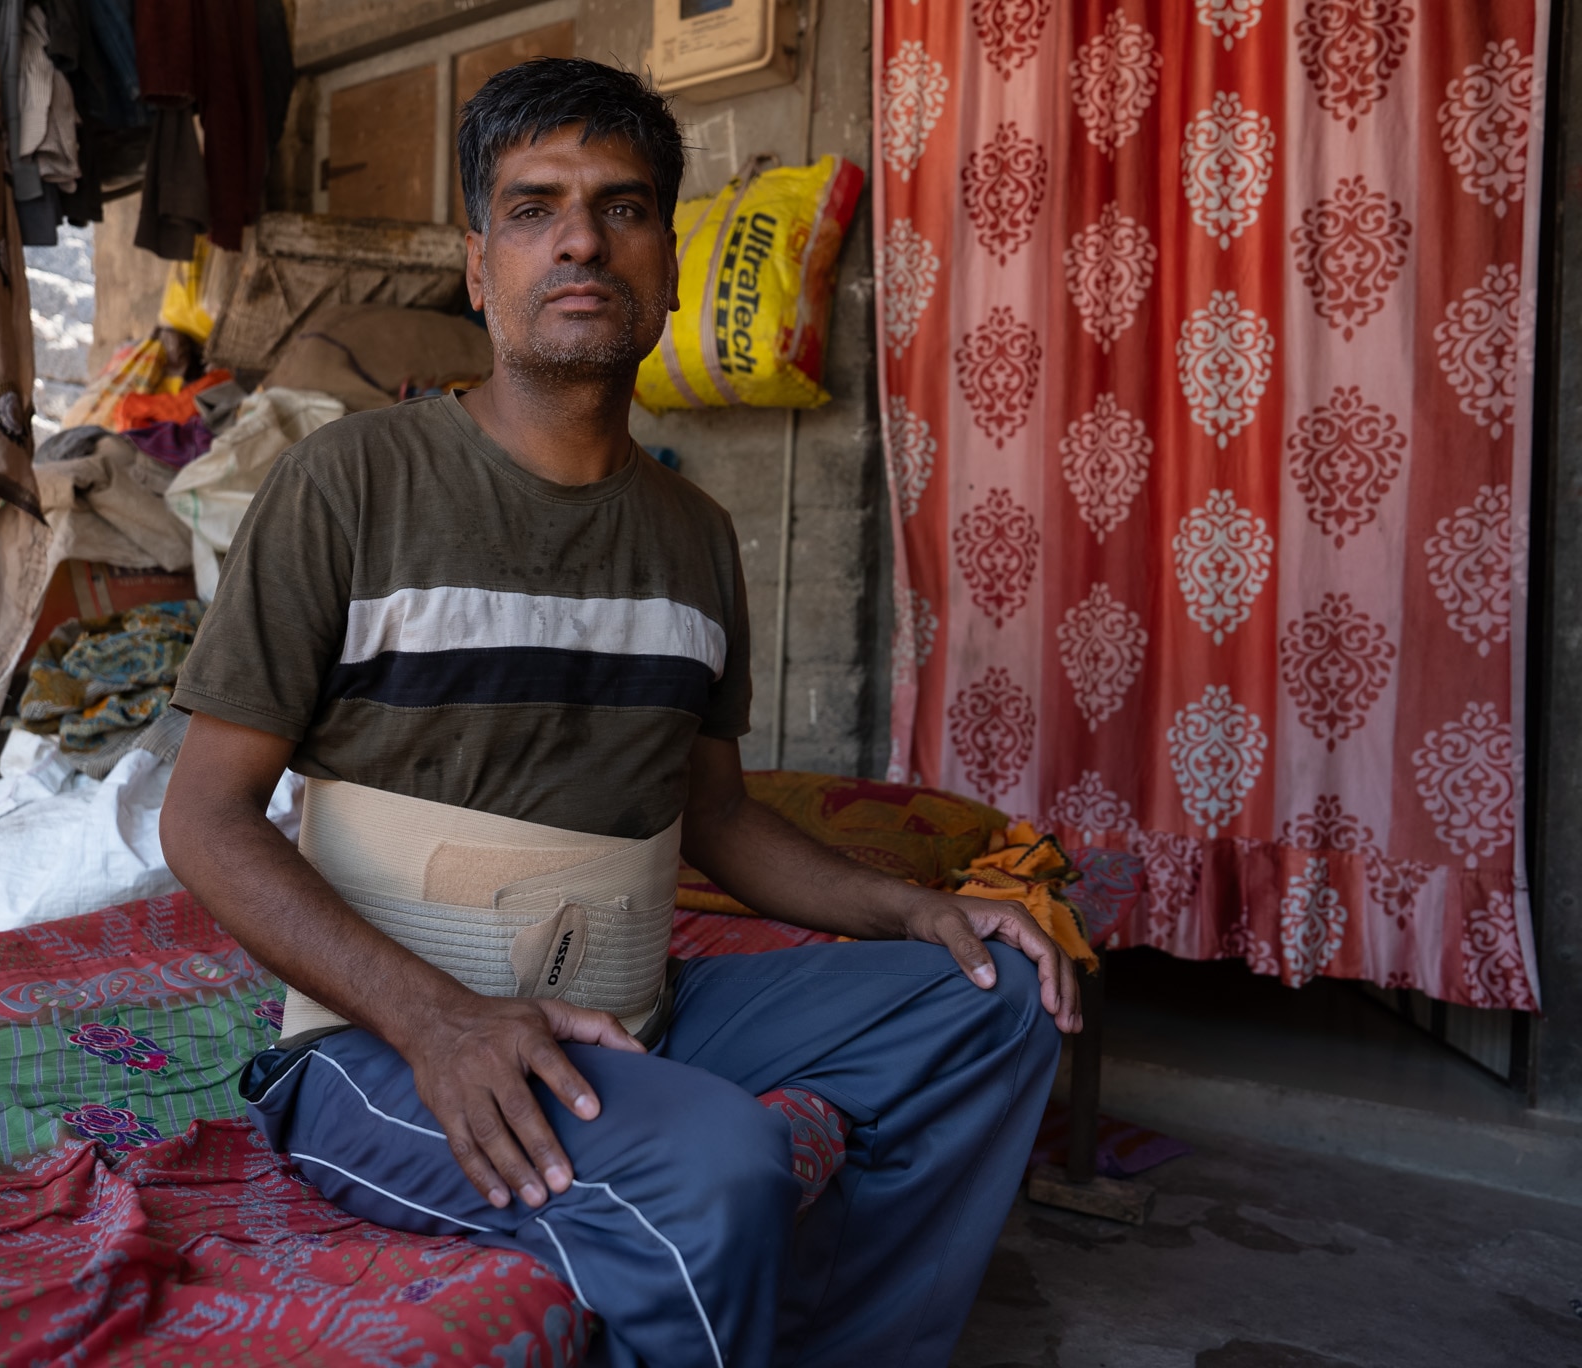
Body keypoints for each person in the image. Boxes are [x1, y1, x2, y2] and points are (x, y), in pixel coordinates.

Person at [158, 57, 1077, 1368]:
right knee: (723, 1169)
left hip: (643, 1011)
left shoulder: (695, 535)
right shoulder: (347, 484)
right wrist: (437, 1021)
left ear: (669, 265)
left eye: (623, 207)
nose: (581, 239)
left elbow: (720, 819)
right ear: (479, 270)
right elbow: (204, 819)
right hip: (380, 1049)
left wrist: (914, 909)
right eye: (533, 208)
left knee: (1000, 994)